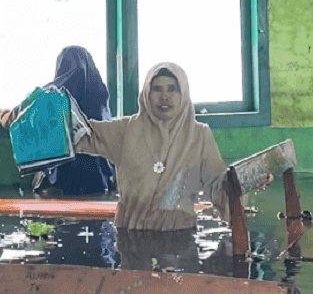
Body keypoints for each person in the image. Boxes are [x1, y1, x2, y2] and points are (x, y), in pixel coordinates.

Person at [73, 62, 229, 231]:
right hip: (132, 235)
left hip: (179, 237)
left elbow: (217, 185)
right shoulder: (125, 130)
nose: (164, 96)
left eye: (172, 89)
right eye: (156, 89)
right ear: (146, 93)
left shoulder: (199, 135)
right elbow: (81, 135)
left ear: (184, 93)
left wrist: (235, 192)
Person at [0, 46, 115, 196]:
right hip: (99, 180)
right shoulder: (100, 95)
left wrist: (3, 114)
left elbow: (18, 117)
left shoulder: (51, 95)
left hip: (59, 181)